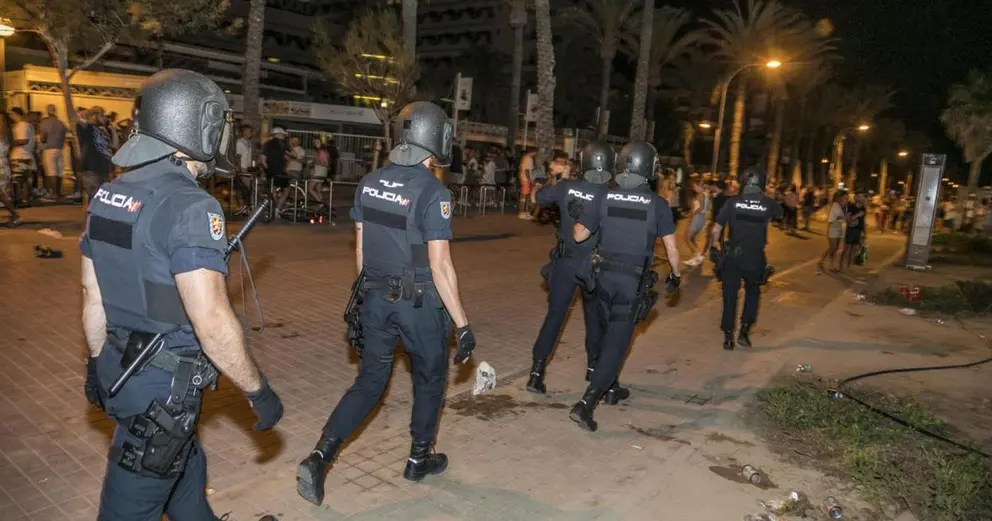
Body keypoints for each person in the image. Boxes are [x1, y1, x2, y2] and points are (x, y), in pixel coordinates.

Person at [80, 69, 283, 521]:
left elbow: (93, 294)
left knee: (188, 478)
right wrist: (257, 389)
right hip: (162, 395)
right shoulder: (192, 206)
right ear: (203, 127)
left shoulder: (107, 195)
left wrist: (96, 363)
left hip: (120, 371)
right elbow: (211, 322)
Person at [296, 101, 476, 505]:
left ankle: (320, 456)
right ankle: (418, 458)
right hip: (420, 305)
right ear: (434, 139)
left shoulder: (369, 182)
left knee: (369, 383)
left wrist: (364, 296)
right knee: (430, 381)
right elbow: (441, 265)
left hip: (375, 297)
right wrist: (462, 324)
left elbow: (361, 248)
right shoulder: (434, 191)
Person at [569, 140, 681, 432]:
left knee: (605, 336)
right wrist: (676, 275)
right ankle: (586, 403)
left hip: (601, 280)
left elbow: (579, 235)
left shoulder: (603, 198)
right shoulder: (658, 205)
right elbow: (671, 249)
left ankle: (612, 388)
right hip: (630, 284)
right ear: (649, 169)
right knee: (617, 345)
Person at [524, 141, 611, 398]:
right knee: (593, 319)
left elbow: (536, 198)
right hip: (593, 265)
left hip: (564, 262)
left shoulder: (566, 187)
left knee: (554, 316)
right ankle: (593, 369)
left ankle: (536, 373)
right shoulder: (607, 194)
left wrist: (543, 179)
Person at [708, 166, 782, 350]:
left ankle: (728, 337)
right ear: (762, 183)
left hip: (733, 256)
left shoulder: (732, 202)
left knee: (729, 295)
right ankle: (744, 332)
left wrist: (713, 247)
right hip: (755, 257)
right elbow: (781, 213)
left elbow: (716, 228)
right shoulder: (768, 204)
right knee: (753, 293)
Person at [76, 106, 114, 206]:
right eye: (102, 115)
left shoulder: (105, 131)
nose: (104, 117)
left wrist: (111, 128)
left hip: (104, 168)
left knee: (102, 198)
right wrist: (92, 111)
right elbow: (80, 118)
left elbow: (114, 145)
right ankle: (90, 219)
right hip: (91, 167)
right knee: (94, 197)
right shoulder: (87, 128)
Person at [39, 104, 69, 200]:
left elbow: (43, 138)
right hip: (60, 149)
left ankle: (53, 194)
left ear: (47, 111)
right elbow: (66, 133)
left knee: (51, 173)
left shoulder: (45, 122)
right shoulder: (61, 123)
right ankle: (59, 193)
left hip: (49, 149)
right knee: (59, 172)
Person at [9, 108, 37, 204]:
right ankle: (25, 199)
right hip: (26, 155)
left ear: (16, 114)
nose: (10, 116)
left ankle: (20, 199)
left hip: (20, 155)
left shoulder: (22, 125)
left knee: (18, 179)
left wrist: (9, 143)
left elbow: (23, 140)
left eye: (11, 114)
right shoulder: (28, 125)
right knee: (24, 179)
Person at [819, 191, 849, 274]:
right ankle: (822, 261)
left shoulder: (842, 206)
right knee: (832, 248)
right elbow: (833, 219)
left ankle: (832, 265)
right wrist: (844, 217)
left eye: (846, 198)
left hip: (839, 229)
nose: (846, 199)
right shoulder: (835, 206)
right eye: (844, 197)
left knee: (835, 248)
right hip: (833, 229)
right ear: (839, 198)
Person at [0, 116, 22, 225]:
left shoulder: (4, 135)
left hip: (1, 166)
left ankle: (15, 214)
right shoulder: (8, 134)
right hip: (3, 163)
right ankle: (14, 214)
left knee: (1, 194)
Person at [683, 178, 708, 266]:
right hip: (701, 218)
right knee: (692, 238)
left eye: (694, 186)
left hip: (697, 218)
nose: (693, 188)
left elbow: (700, 208)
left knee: (687, 238)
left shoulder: (701, 195)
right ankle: (696, 256)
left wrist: (692, 215)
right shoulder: (704, 194)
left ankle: (697, 255)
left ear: (699, 186)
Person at [843, 193, 867, 269]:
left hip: (859, 230)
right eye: (860, 196)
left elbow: (863, 220)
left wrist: (864, 231)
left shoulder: (863, 208)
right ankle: (842, 264)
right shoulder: (851, 206)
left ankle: (848, 265)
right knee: (847, 248)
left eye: (863, 197)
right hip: (851, 229)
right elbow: (847, 218)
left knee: (854, 249)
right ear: (856, 198)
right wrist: (856, 216)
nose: (862, 198)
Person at [517, 148, 536, 219]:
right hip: (526, 179)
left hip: (523, 178)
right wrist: (530, 180)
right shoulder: (529, 159)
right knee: (524, 196)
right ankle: (521, 212)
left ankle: (522, 212)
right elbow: (527, 170)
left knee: (524, 196)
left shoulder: (525, 158)